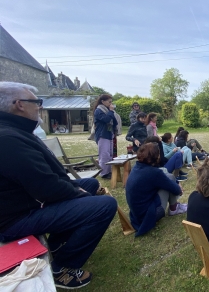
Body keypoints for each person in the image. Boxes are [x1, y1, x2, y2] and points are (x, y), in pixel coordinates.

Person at [0, 82, 117, 289]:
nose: (39, 107)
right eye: (36, 102)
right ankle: (63, 266)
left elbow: (48, 178)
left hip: (28, 203)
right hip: (15, 219)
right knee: (104, 205)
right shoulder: (8, 138)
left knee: (89, 183)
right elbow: (46, 188)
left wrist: (78, 190)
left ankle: (58, 243)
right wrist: (78, 194)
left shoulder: (15, 131)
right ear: (19, 104)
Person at [126, 143, 188, 236]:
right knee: (170, 177)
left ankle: (174, 207)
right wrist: (178, 188)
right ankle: (174, 208)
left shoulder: (138, 167)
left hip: (136, 215)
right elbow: (175, 190)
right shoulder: (153, 173)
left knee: (168, 178)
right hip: (148, 216)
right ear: (156, 156)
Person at [93, 94, 118, 179]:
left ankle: (109, 171)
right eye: (109, 102)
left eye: (111, 102)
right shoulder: (98, 111)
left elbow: (114, 122)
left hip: (109, 133)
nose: (111, 104)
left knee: (110, 153)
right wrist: (111, 111)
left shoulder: (108, 110)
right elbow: (106, 119)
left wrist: (112, 112)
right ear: (102, 101)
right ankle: (103, 173)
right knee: (104, 154)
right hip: (102, 134)